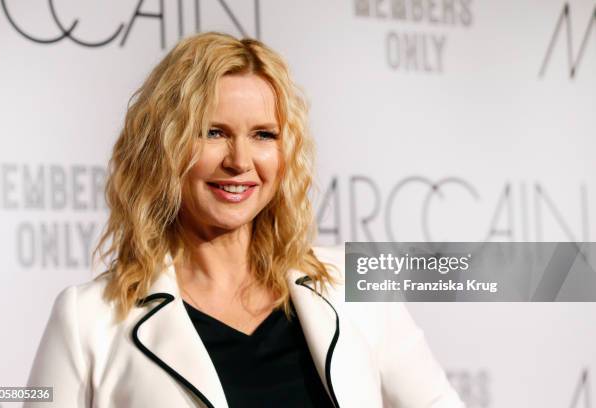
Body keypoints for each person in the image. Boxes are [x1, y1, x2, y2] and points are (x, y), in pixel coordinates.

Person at [25, 32, 465, 408]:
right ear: (162, 148)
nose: (240, 161)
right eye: (213, 133)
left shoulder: (353, 288)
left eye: (263, 135)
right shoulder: (89, 319)